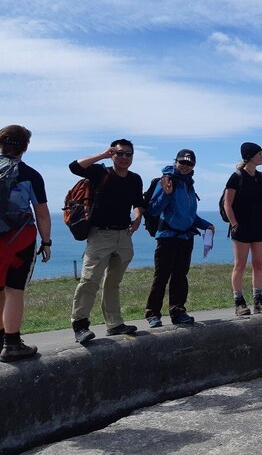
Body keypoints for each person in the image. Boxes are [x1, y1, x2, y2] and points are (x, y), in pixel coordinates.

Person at [69, 139, 144, 343]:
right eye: (119, 153)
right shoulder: (100, 173)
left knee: (113, 282)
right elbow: (75, 166)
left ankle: (114, 324)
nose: (124, 158)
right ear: (112, 154)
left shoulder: (135, 179)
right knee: (89, 280)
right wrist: (102, 155)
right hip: (100, 235)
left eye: (128, 154)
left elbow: (138, 203)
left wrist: (137, 218)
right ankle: (80, 325)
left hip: (124, 236)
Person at [144, 149, 215, 327]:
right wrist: (166, 194)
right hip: (167, 236)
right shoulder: (167, 180)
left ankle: (177, 311)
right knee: (161, 276)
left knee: (180, 276)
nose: (185, 166)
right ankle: (152, 314)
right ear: (175, 161)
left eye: (189, 163)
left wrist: (206, 225)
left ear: (194, 167)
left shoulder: (188, 184)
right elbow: (153, 209)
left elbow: (189, 216)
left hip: (185, 237)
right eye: (182, 162)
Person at [0, 125, 51, 362]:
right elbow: (41, 213)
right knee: (14, 292)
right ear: (25, 147)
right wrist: (47, 241)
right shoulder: (30, 174)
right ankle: (11, 344)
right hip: (19, 241)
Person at [223, 142, 262, 316]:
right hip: (242, 227)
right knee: (240, 265)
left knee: (258, 264)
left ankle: (258, 300)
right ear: (250, 156)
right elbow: (227, 204)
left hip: (259, 226)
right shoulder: (236, 177)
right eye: (260, 154)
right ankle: (239, 302)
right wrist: (235, 224)